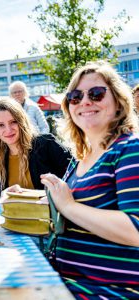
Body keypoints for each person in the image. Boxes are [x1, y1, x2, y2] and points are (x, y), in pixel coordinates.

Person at [40, 61, 139, 299]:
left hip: (109, 290)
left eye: (96, 93)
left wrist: (68, 206)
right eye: (75, 96)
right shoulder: (80, 158)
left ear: (118, 103)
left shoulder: (130, 149)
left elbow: (136, 229)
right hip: (67, 280)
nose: (85, 101)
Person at [0, 98, 71, 204]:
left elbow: (76, 171)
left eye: (13, 122)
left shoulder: (45, 143)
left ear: (21, 121)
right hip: (13, 217)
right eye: (1, 125)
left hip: (48, 216)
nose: (8, 130)